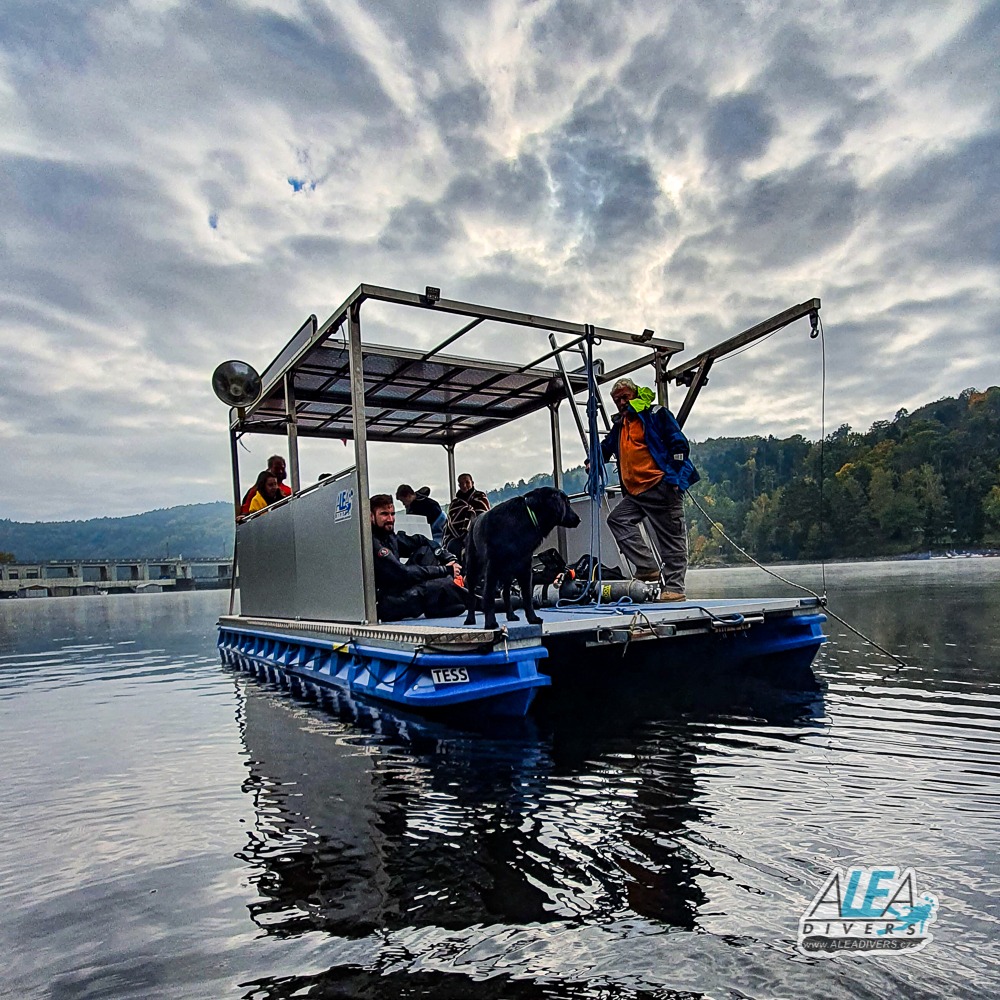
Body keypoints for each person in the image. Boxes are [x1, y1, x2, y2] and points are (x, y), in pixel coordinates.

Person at [594, 377, 699, 601]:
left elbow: (678, 443)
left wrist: (673, 479)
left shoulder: (655, 414)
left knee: (671, 539)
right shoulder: (620, 425)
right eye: (616, 400)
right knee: (618, 520)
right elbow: (605, 448)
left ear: (635, 393)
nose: (621, 402)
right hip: (636, 493)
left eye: (624, 397)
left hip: (660, 486)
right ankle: (647, 566)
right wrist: (591, 460)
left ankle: (675, 589)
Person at [370, 494, 466, 621]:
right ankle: (480, 602)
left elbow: (422, 541)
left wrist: (447, 557)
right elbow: (402, 572)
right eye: (384, 514)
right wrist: (445, 570)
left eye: (392, 514)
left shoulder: (389, 536)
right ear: (371, 516)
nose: (390, 519)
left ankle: (441, 601)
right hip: (386, 603)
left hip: (399, 588)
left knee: (425, 551)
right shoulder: (372, 543)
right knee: (433, 586)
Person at [441, 473, 491, 559]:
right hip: (458, 537)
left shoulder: (480, 497)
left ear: (472, 483)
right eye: (461, 483)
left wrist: (469, 514)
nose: (464, 485)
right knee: (452, 546)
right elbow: (451, 523)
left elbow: (483, 515)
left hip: (479, 534)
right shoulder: (455, 503)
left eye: (467, 482)